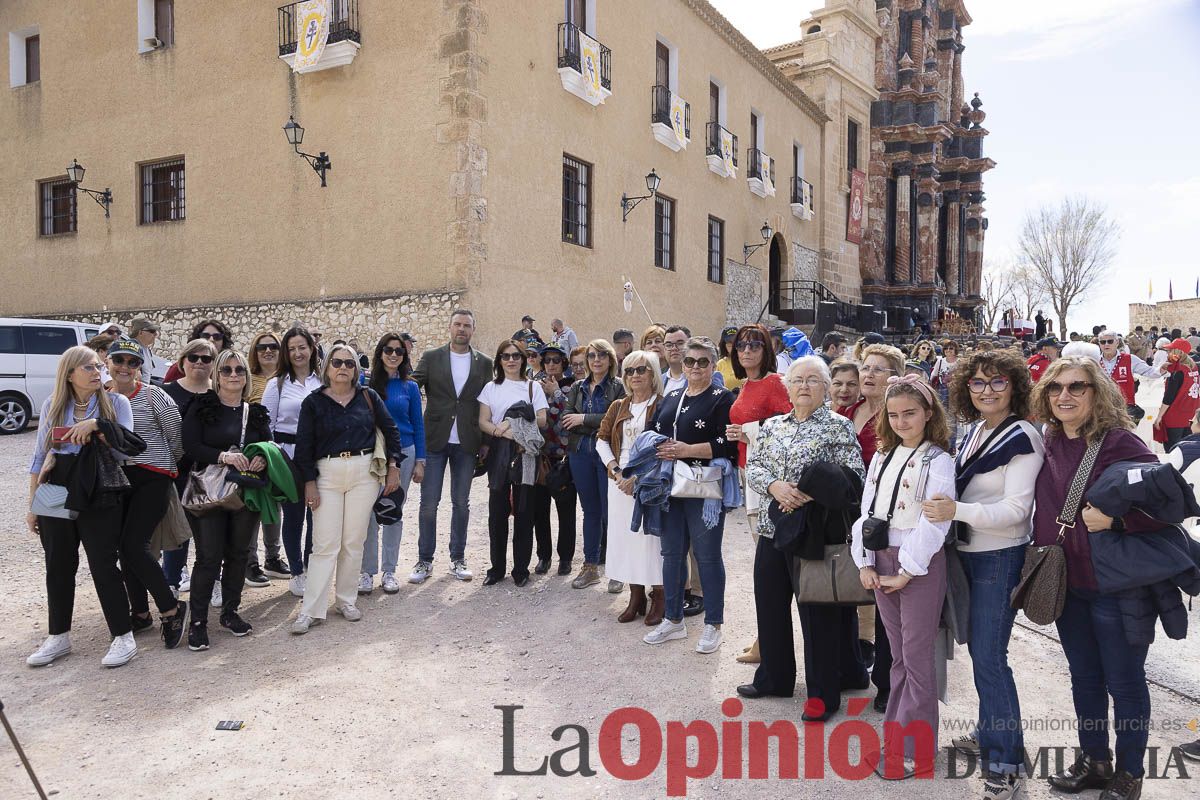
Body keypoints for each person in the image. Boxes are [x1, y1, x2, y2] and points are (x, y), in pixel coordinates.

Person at [1030, 357, 1161, 800]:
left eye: (1077, 387)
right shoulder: (1047, 440)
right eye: (1055, 388)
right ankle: (1095, 761)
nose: (1064, 396)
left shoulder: (1119, 443)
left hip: (1116, 587)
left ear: (1097, 392)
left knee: (1124, 682)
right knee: (1084, 678)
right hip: (1068, 584)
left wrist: (1120, 523)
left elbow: (1168, 501)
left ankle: (1130, 774)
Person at [925, 349, 1044, 799]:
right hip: (967, 553)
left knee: (990, 659)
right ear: (965, 389)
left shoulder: (1024, 435)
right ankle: (993, 733)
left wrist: (958, 510)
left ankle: (1006, 762)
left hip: (999, 556)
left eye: (997, 382)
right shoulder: (974, 430)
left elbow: (1017, 511)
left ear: (1014, 386)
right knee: (980, 652)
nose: (987, 390)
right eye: (977, 383)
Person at [742, 356, 867, 721]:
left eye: (813, 380)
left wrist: (808, 491)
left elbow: (853, 475)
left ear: (826, 387)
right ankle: (774, 678)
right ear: (787, 386)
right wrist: (775, 486)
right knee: (770, 605)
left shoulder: (838, 426)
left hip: (815, 532)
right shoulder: (772, 426)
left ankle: (823, 695)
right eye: (798, 380)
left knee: (817, 613)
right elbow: (756, 466)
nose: (805, 386)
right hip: (772, 528)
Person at [852, 373, 956, 778]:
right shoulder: (881, 456)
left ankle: (918, 749)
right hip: (881, 562)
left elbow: (934, 523)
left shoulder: (939, 460)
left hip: (918, 565)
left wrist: (908, 570)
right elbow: (866, 513)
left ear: (928, 414)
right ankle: (896, 740)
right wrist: (864, 561)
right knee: (896, 658)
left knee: (916, 659)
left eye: (909, 413)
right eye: (893, 414)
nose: (900, 422)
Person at [25, 346, 139, 668]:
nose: (96, 372)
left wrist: (98, 428)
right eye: (87, 367)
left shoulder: (117, 402)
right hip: (56, 483)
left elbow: (126, 453)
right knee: (58, 563)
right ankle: (58, 635)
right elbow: (38, 458)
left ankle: (123, 635)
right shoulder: (52, 404)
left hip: (97, 483)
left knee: (103, 562)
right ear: (70, 373)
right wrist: (32, 504)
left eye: (97, 366)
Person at [291, 346, 403, 633]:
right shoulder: (313, 402)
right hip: (326, 474)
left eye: (349, 363)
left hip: (364, 473)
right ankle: (311, 609)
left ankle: (345, 599)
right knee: (325, 544)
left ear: (356, 369)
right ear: (327, 367)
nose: (343, 367)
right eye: (337, 362)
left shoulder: (368, 397)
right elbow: (303, 447)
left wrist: (393, 466)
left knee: (354, 541)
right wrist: (309, 483)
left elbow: (391, 431)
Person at [643, 337, 738, 654]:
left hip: (703, 488)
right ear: (681, 364)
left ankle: (713, 624)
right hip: (670, 488)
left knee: (707, 556)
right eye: (690, 361)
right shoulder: (671, 396)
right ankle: (673, 619)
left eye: (703, 362)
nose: (695, 367)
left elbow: (729, 446)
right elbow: (653, 432)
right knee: (670, 555)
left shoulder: (722, 399)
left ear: (713, 365)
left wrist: (686, 450)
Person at [181, 349, 272, 651]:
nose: (234, 375)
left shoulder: (255, 413)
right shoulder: (202, 406)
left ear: (246, 376)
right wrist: (223, 456)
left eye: (239, 370)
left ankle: (230, 612)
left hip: (244, 491)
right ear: (216, 375)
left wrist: (259, 460)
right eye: (227, 370)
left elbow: (265, 447)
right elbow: (190, 445)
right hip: (209, 492)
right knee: (208, 556)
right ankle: (197, 622)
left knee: (238, 553)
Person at [105, 340, 188, 649]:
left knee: (133, 544)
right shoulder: (102, 396)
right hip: (116, 479)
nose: (125, 367)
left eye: (132, 362)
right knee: (124, 547)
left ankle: (171, 608)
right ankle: (140, 612)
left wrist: (164, 465)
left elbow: (175, 437)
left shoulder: (154, 395)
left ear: (140, 367)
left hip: (152, 476)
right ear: (108, 362)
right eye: (119, 360)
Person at [839, 342, 905, 705]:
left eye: (878, 369)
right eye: (865, 367)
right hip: (849, 511)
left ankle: (887, 681)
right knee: (849, 590)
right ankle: (851, 663)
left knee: (886, 597)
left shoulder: (900, 414)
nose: (868, 374)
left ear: (894, 376)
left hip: (887, 516)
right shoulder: (846, 411)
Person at [410, 309, 494, 583]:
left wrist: (486, 441)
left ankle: (458, 558)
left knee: (461, 503)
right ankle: (424, 561)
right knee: (428, 504)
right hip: (434, 439)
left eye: (466, 325)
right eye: (457, 324)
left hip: (467, 442)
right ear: (449, 328)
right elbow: (413, 384)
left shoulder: (484, 363)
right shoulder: (432, 357)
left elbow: (487, 403)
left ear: (473, 329)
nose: (461, 329)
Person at [725, 323, 791, 664]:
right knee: (763, 563)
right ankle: (766, 637)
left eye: (755, 345)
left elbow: (788, 425)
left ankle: (769, 641)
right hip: (748, 474)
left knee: (769, 566)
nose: (747, 350)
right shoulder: (745, 386)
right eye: (741, 345)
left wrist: (747, 431)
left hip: (769, 479)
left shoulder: (775, 383)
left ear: (767, 350)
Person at [596, 350, 664, 623]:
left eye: (641, 369)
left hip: (648, 482)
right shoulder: (618, 406)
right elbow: (601, 440)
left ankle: (658, 595)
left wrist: (637, 477)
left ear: (653, 373)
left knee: (651, 540)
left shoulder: (662, 404)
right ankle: (635, 595)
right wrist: (615, 471)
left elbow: (664, 444)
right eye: (629, 371)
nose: (635, 375)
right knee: (626, 539)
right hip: (619, 481)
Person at [477, 340, 549, 586]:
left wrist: (513, 427)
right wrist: (501, 433)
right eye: (506, 356)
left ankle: (521, 570)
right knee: (497, 513)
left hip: (524, 451)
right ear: (499, 360)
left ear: (523, 358)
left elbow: (542, 420)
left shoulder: (533, 388)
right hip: (499, 450)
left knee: (524, 511)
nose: (511, 360)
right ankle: (496, 568)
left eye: (516, 355)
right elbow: (483, 421)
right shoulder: (490, 387)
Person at [358, 334, 425, 595]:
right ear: (380, 352)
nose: (394, 354)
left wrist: (421, 461)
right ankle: (367, 571)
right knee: (368, 513)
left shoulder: (410, 387)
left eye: (399, 351)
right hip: (372, 453)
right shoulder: (366, 383)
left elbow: (417, 424)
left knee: (392, 510)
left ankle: (389, 571)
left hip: (404, 453)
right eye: (389, 350)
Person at [261, 326, 323, 598]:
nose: (298, 353)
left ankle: (311, 566)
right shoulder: (277, 385)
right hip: (288, 455)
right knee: (295, 514)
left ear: (311, 348)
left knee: (317, 515)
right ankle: (296, 571)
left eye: (302, 347)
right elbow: (266, 425)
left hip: (319, 455)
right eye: (292, 348)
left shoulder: (323, 381)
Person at [564, 339, 625, 590]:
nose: (596, 360)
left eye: (601, 355)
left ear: (610, 359)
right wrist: (589, 421)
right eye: (591, 355)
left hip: (608, 456)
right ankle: (590, 567)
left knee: (612, 513)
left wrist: (584, 419)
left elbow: (617, 418)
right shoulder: (577, 387)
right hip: (580, 454)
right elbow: (566, 420)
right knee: (590, 511)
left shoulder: (619, 387)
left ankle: (618, 570)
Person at [161, 339, 219, 596]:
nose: (199, 362)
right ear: (182, 361)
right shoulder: (165, 392)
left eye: (206, 359)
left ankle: (213, 582)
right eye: (193, 357)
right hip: (175, 472)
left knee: (212, 534)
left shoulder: (219, 392)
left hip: (212, 473)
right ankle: (170, 585)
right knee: (176, 533)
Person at [244, 330, 289, 584]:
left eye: (273, 346)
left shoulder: (288, 378)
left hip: (279, 451)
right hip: (254, 451)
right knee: (252, 506)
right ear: (255, 351)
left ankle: (273, 557)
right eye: (262, 347)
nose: (268, 351)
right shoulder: (245, 378)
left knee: (274, 505)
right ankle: (250, 562)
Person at [532, 343, 577, 575]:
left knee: (566, 511)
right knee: (540, 511)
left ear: (563, 364)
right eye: (547, 360)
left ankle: (566, 558)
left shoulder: (572, 388)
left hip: (564, 458)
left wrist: (555, 393)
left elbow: (567, 415)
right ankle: (544, 556)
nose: (551, 364)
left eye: (556, 360)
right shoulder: (535, 387)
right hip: (542, 457)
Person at [1097, 330, 1160, 423]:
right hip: (1101, 408)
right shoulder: (1094, 361)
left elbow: (1150, 371)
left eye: (1110, 341)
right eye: (1103, 342)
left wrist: (1164, 369)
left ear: (1117, 342)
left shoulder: (1130, 359)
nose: (1106, 344)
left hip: (1125, 409)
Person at [1154, 338, 1200, 451]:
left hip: (1174, 417)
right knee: (1188, 452)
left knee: (1173, 452)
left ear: (1177, 352)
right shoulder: (1194, 367)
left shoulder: (1177, 372)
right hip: (1191, 417)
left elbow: (1168, 398)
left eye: (1170, 351)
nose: (1168, 353)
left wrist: (1159, 417)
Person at [163, 319, 234, 382]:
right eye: (205, 336)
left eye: (217, 336)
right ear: (197, 338)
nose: (211, 340)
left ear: (223, 341)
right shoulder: (180, 368)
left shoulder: (232, 369)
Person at [129, 317, 169, 382]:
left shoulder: (146, 349)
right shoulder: (132, 348)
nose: (156, 334)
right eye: (152, 331)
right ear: (140, 332)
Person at [715, 326, 744, 391]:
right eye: (729, 342)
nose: (733, 344)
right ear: (724, 344)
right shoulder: (720, 364)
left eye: (736, 341)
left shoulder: (747, 361)